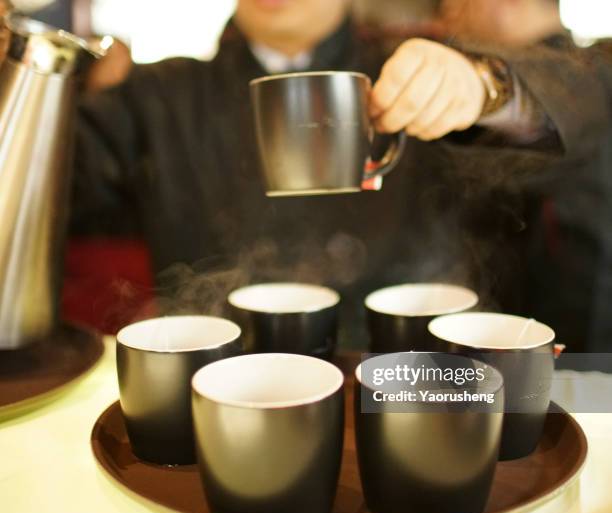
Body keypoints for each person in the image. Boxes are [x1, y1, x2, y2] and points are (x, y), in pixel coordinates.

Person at [71, 0, 611, 349]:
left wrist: (484, 89)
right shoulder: (159, 96)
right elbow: (41, 188)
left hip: (423, 393)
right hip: (223, 395)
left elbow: (590, 106)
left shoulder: (424, 64)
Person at [435, 0, 612, 353]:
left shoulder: (587, 73)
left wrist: (481, 84)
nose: (448, 13)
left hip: (578, 341)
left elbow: (545, 91)